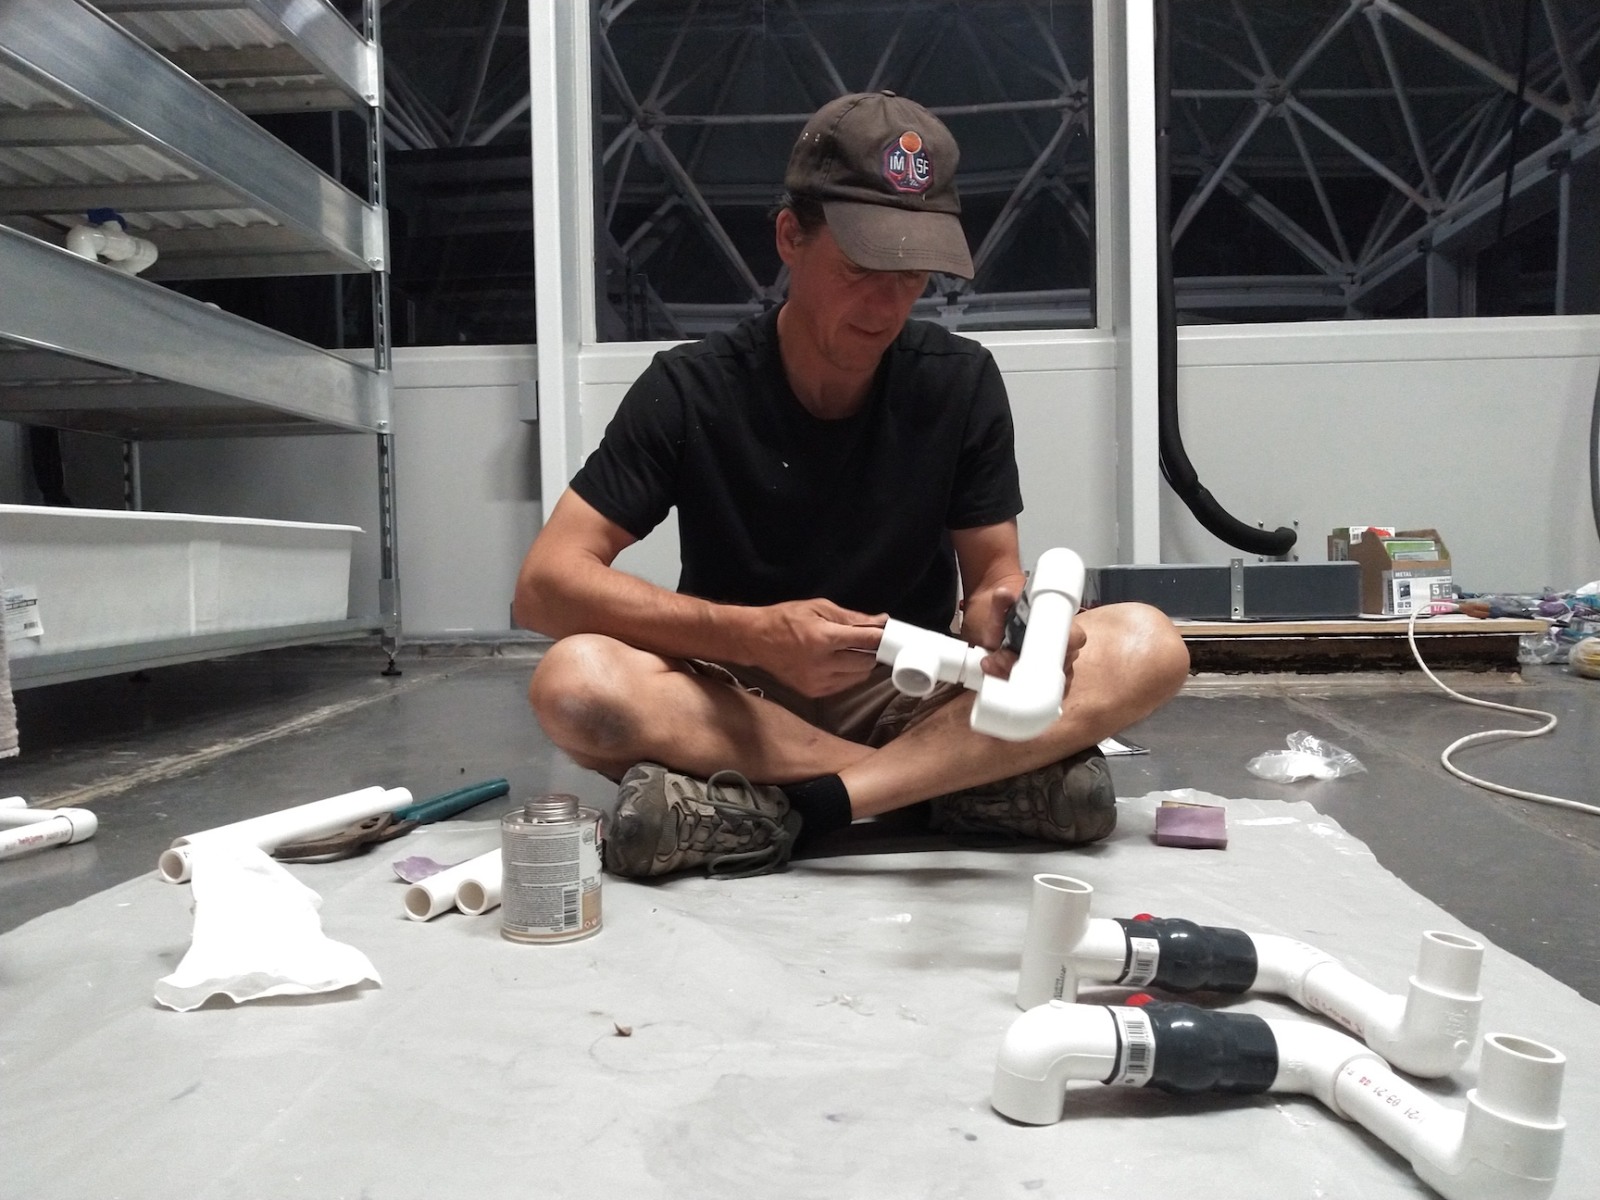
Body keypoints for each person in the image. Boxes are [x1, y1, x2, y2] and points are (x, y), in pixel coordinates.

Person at [513, 92, 1189, 880]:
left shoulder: (959, 382)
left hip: (909, 689)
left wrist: (1012, 620)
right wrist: (752, 636)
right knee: (574, 682)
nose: (886, 305)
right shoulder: (690, 389)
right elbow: (544, 588)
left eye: (913, 275)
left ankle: (799, 807)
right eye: (861, 269)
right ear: (789, 237)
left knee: (1147, 643)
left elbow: (990, 584)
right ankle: (945, 782)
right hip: (736, 701)